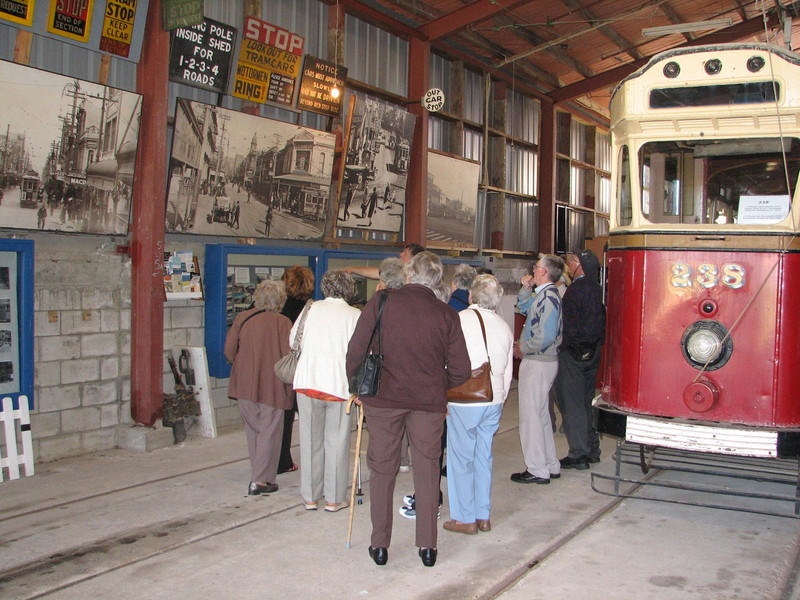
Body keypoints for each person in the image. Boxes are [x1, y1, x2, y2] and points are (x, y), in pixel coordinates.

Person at [346, 251, 471, 568]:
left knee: (383, 468)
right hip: (427, 404)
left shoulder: (382, 303)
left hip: (384, 400)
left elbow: (356, 350)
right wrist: (436, 383)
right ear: (437, 279)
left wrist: (356, 387)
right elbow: (461, 371)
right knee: (427, 469)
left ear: (410, 275)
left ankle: (380, 545)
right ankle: (427, 547)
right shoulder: (446, 314)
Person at [443, 274, 514, 535]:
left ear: (471, 295)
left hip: (466, 399)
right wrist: (501, 397)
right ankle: (483, 515)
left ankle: (464, 518)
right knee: (483, 456)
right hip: (494, 398)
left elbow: (446, 361)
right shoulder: (504, 326)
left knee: (461, 459)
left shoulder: (459, 320)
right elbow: (506, 370)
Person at [292, 270, 361, 512]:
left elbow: (293, 341)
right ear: (350, 289)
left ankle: (310, 496)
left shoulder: (310, 309)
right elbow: (360, 353)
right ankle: (334, 499)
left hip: (308, 381)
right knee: (337, 442)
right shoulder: (355, 315)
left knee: (310, 440)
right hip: (339, 387)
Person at [224, 280, 292, 496]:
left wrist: (243, 365)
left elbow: (228, 350)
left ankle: (263, 474)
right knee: (270, 432)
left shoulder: (242, 318)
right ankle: (260, 481)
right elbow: (288, 355)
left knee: (254, 431)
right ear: (281, 300)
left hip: (244, 383)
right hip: (272, 385)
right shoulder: (282, 322)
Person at [511, 254, 565, 485]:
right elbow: (524, 306)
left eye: (536, 268)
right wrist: (525, 287)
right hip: (541, 361)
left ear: (544, 272)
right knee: (541, 415)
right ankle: (550, 464)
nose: (533, 270)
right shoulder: (543, 296)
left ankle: (536, 468)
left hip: (538, 361)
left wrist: (524, 348)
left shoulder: (549, 299)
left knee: (530, 418)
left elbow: (546, 335)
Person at [555, 249, 606, 470]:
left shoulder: (576, 290)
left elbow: (568, 325)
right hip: (592, 353)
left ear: (579, 265)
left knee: (571, 403)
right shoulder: (597, 288)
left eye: (570, 261)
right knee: (586, 402)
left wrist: (565, 346)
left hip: (573, 355)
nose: (567, 265)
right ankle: (592, 448)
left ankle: (579, 453)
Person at [277, 266, 315, 474]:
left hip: (284, 367)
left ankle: (282, 459)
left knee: (285, 416)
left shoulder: (279, 309)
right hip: (306, 369)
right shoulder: (312, 309)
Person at [344, 242, 425, 280]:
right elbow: (377, 273)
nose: (400, 255)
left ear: (414, 259)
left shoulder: (421, 278)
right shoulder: (399, 272)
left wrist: (352, 269)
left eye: (405, 254)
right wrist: (352, 269)